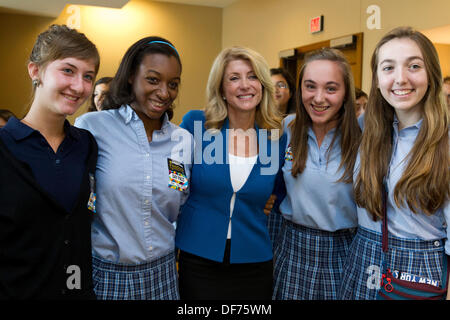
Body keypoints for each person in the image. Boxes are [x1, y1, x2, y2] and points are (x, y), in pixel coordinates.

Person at [75, 37, 192, 300]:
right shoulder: (93, 127)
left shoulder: (182, 140)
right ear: (130, 76)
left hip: (163, 275)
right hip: (106, 275)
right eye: (153, 79)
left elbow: (180, 200)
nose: (164, 92)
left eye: (173, 84)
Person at [339, 26, 449, 300]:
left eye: (414, 66)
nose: (400, 79)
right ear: (376, 79)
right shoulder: (366, 130)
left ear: (431, 75)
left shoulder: (444, 141)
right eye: (388, 68)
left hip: (419, 268)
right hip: (363, 259)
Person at [175, 46, 286, 300]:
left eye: (252, 76)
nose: (245, 85)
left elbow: (282, 185)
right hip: (198, 256)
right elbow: (175, 179)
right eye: (234, 78)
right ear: (221, 89)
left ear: (262, 84)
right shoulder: (196, 124)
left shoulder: (276, 136)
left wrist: (271, 199)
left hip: (254, 260)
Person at [0, 24, 100, 299]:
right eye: (68, 70)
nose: (79, 86)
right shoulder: (5, 147)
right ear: (36, 71)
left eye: (88, 76)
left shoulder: (86, 145)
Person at [272, 48, 361, 300]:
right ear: (300, 90)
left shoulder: (362, 138)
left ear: (346, 94)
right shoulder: (286, 128)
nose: (319, 98)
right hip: (291, 249)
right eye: (310, 87)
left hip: (342, 253)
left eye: (331, 89)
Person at [267, 68, 296, 245]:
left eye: (281, 85)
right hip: (266, 209)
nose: (276, 89)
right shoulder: (255, 126)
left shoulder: (299, 124)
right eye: (270, 86)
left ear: (291, 92)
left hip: (292, 210)